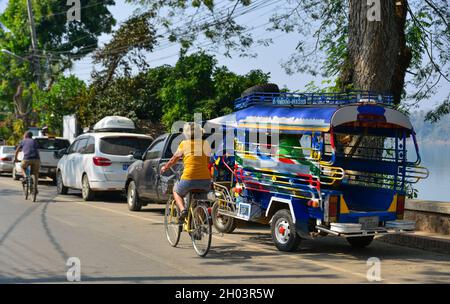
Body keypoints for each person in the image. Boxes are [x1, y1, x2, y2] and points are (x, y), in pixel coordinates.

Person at [160, 122, 212, 221]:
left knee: (176, 191)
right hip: (205, 180)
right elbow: (208, 161)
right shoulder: (206, 143)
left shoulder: (184, 144)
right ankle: (199, 226)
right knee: (200, 201)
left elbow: (173, 160)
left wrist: (165, 167)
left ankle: (183, 210)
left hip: (189, 178)